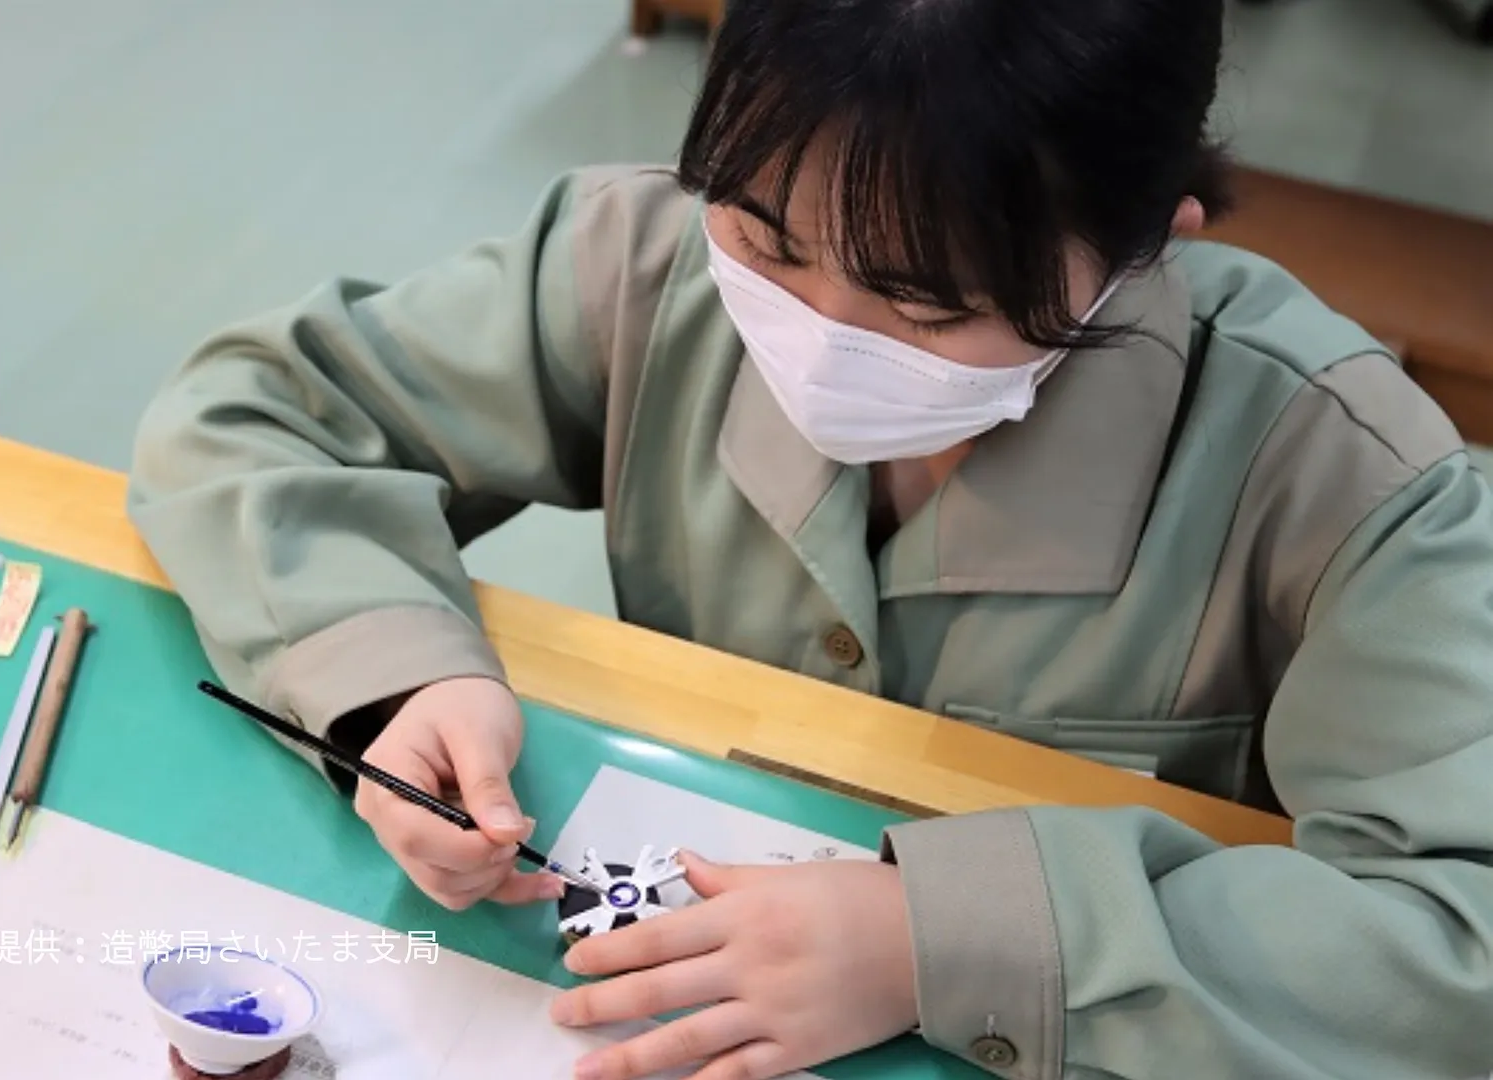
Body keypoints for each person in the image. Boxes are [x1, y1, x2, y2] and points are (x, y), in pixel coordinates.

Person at [128, 1, 1493, 1078]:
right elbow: (257, 415)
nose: (823, 330)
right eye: (768, 244)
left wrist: (937, 947)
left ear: (1146, 245)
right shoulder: (640, 258)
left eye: (927, 300)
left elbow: (1459, 952)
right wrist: (390, 677)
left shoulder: (1338, 475)